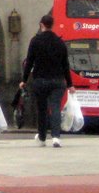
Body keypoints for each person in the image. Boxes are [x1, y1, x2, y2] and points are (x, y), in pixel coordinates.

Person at [19, 14, 74, 148]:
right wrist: (70, 84)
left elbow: (29, 62)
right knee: (55, 107)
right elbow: (65, 65)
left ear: (41, 24)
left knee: (42, 109)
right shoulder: (60, 42)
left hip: (40, 80)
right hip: (58, 81)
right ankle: (56, 137)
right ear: (52, 25)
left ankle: (42, 137)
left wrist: (24, 80)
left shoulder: (35, 41)